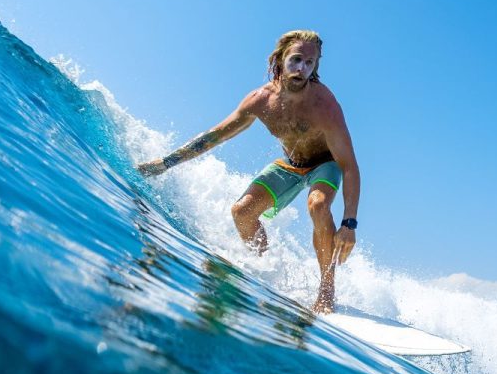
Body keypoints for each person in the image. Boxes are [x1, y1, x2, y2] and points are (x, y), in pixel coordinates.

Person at [137, 30, 360, 314]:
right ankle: (264, 270)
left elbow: (350, 166)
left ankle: (326, 292)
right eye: (296, 60)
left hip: (325, 165)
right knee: (241, 212)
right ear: (280, 60)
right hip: (290, 165)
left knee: (317, 205)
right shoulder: (259, 101)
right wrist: (166, 163)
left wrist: (348, 224)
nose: (302, 68)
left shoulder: (325, 106)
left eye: (310, 63)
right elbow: (215, 136)